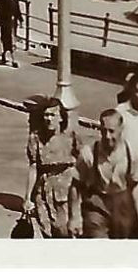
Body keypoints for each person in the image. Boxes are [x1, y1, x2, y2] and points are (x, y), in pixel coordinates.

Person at [78, 108, 138, 238]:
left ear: (121, 129)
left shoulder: (131, 152)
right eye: (103, 131)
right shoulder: (89, 152)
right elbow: (76, 184)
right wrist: (75, 216)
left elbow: (136, 184)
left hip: (122, 203)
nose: (107, 136)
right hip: (98, 202)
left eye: (111, 131)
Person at [23, 99, 81, 238]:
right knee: (46, 230)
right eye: (46, 115)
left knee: (64, 231)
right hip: (43, 192)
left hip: (65, 192)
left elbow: (81, 165)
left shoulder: (71, 137)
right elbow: (33, 167)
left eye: (52, 115)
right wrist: (27, 198)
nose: (48, 119)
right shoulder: (35, 138)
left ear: (61, 117)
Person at [0, 0, 23, 67]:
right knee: (7, 40)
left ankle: (5, 55)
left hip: (13, 21)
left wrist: (20, 19)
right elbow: (0, 10)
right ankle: (12, 59)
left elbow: (17, 7)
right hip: (5, 21)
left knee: (12, 38)